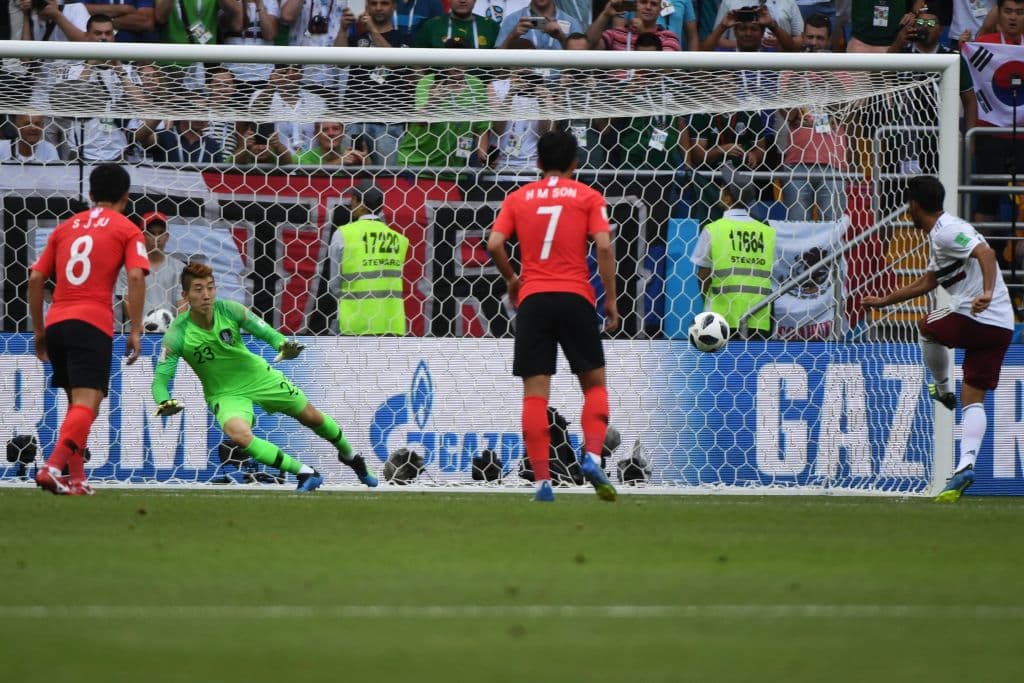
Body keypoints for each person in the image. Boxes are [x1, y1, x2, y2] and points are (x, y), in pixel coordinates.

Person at [151, 261, 378, 492]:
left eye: (210, 287)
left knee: (313, 418)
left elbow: (268, 333)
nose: (206, 295)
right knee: (239, 435)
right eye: (198, 289)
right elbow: (160, 381)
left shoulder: (230, 310)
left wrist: (283, 346)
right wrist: (164, 401)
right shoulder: (177, 334)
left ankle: (351, 457)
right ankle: (305, 472)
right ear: (185, 295)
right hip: (225, 393)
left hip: (259, 377)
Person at [486, 129, 619, 503]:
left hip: (534, 301)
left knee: (534, 396)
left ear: (538, 162)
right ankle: (592, 457)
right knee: (594, 386)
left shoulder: (518, 198)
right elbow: (604, 246)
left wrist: (512, 279)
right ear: (575, 163)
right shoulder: (588, 196)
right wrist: (610, 300)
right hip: (576, 297)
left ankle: (543, 482)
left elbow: (494, 243)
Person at [863, 176, 1014, 502]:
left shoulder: (947, 231)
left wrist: (987, 292)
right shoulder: (941, 236)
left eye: (909, 205)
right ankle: (965, 466)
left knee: (927, 325)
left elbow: (987, 253)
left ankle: (943, 389)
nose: (908, 210)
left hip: (978, 315)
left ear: (914, 205)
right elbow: (928, 281)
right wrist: (884, 301)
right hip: (1001, 326)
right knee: (973, 399)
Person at [28, 163, 150, 496]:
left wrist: (39, 330)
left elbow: (36, 278)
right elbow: (136, 276)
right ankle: (52, 468)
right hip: (91, 322)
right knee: (88, 403)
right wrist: (135, 329)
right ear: (126, 197)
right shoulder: (127, 229)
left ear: (91, 194)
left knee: (77, 406)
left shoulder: (65, 227)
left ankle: (77, 479)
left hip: (57, 321)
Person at [690, 169, 776, 339]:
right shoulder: (768, 232)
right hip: (759, 316)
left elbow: (703, 275)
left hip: (721, 316)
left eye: (722, 189)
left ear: (728, 198)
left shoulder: (713, 229)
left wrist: (707, 300)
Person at [328, 184, 409, 335]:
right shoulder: (400, 239)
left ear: (359, 202)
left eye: (353, 200)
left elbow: (334, 284)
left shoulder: (344, 234)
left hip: (354, 322)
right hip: (391, 323)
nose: (351, 203)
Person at [117, 212, 184, 328]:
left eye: (161, 233)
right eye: (151, 233)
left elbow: (182, 305)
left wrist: (176, 330)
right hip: (138, 332)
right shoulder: (128, 268)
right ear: (142, 235)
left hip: (169, 333)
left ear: (167, 236)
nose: (157, 238)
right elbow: (126, 301)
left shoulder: (180, 268)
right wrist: (141, 328)